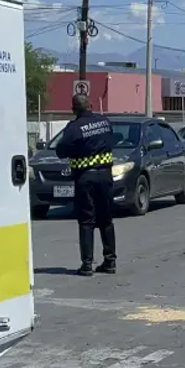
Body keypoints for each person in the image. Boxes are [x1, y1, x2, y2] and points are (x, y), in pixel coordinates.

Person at [55, 94, 117, 276]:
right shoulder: (104, 122)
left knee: (86, 221)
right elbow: (111, 140)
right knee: (106, 220)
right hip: (105, 176)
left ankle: (87, 264)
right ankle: (110, 261)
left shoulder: (73, 128)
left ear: (73, 109)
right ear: (90, 105)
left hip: (85, 178)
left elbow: (61, 151)